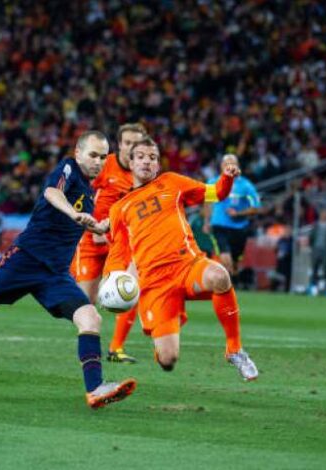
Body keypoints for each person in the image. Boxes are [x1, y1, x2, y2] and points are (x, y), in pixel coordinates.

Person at [0, 131, 137, 409]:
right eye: (93, 155)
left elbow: (76, 222)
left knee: (90, 318)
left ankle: (95, 389)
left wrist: (97, 226)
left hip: (55, 274)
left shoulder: (89, 192)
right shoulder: (68, 168)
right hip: (24, 260)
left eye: (103, 157)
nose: (98, 162)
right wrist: (73, 213)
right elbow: (52, 193)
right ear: (78, 153)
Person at [106, 141, 258, 380]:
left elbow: (215, 193)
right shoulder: (119, 209)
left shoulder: (172, 182)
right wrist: (111, 278)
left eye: (152, 157)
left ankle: (234, 349)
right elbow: (118, 251)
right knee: (168, 360)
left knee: (220, 276)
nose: (147, 161)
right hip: (155, 284)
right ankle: (163, 344)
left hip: (187, 265)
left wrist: (227, 178)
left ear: (158, 165)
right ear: (131, 163)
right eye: (141, 157)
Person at [71, 123, 146, 364]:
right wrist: (91, 224)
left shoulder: (144, 172)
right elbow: (80, 192)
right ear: (120, 145)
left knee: (131, 288)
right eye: (128, 143)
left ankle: (116, 348)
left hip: (119, 240)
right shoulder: (104, 165)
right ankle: (89, 347)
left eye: (137, 143)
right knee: (86, 303)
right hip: (91, 238)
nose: (132, 148)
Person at [204, 155, 262, 283]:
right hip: (219, 225)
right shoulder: (213, 183)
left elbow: (256, 207)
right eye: (226, 163)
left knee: (234, 262)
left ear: (237, 166)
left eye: (232, 163)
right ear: (221, 166)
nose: (229, 166)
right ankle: (227, 285)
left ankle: (233, 280)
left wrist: (239, 213)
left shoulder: (246, 186)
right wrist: (207, 222)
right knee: (225, 257)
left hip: (239, 228)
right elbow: (207, 203)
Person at [309, 208, 326, 291]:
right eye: (323, 214)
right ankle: (313, 288)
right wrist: (312, 248)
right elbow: (311, 237)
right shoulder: (315, 225)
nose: (324, 216)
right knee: (314, 269)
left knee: (325, 269)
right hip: (316, 250)